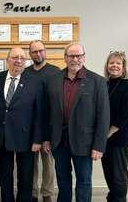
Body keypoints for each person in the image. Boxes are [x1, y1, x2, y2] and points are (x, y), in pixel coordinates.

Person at [46, 43, 110, 202]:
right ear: (65, 58)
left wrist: (99, 145)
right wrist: (46, 138)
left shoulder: (98, 82)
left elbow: (103, 116)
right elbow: (46, 113)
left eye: (79, 56)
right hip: (58, 140)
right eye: (71, 56)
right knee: (62, 178)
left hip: (85, 142)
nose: (75, 59)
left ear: (84, 57)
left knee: (84, 181)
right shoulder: (53, 80)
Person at [0, 47, 46, 202]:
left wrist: (37, 139)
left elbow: (39, 113)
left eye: (22, 57)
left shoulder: (35, 82)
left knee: (26, 177)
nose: (19, 60)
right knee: (4, 176)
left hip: (27, 138)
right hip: (2, 137)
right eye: (15, 57)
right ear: (8, 60)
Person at [101, 51, 128, 202]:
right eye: (111, 63)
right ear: (107, 66)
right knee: (109, 174)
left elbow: (125, 115)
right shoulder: (104, 84)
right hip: (104, 139)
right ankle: (113, 198)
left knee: (118, 177)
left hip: (120, 139)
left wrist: (107, 134)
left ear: (123, 67)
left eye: (118, 63)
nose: (114, 66)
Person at [26, 40, 60, 202]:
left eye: (40, 51)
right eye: (34, 52)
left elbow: (57, 104)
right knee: (30, 165)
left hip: (49, 127)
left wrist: (48, 134)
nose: (38, 54)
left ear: (45, 51)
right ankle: (32, 194)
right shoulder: (25, 73)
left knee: (48, 164)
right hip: (29, 128)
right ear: (30, 54)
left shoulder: (55, 72)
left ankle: (47, 195)